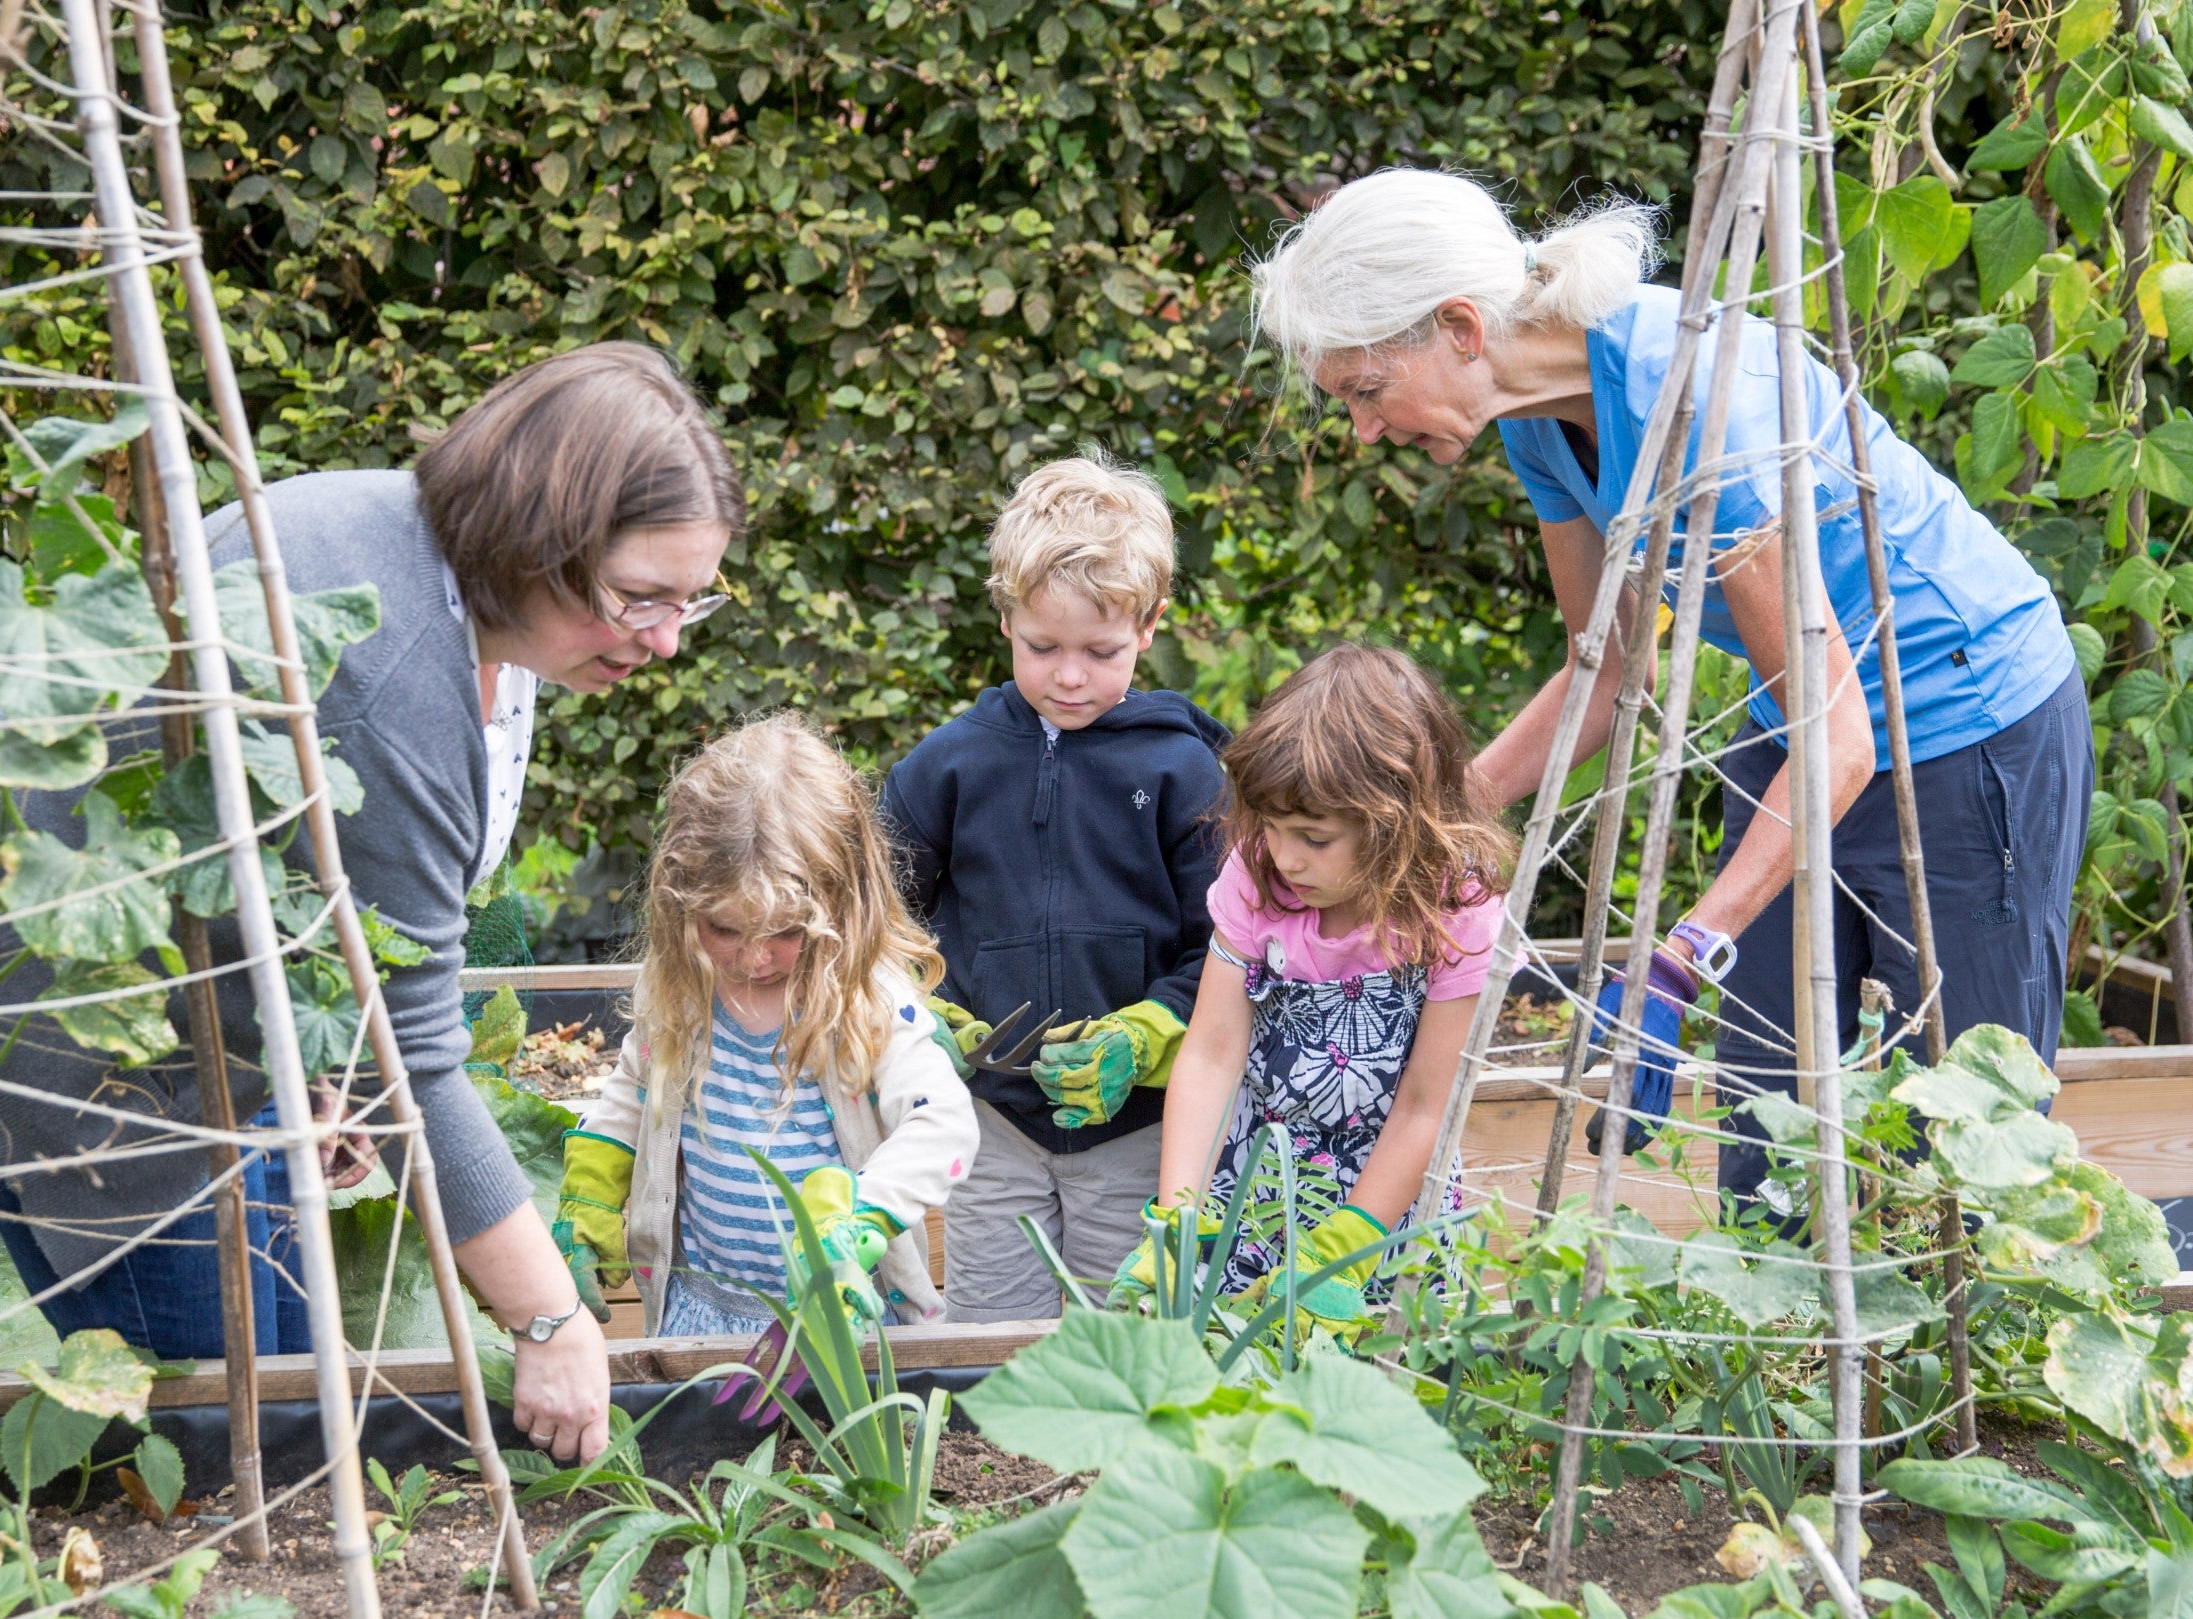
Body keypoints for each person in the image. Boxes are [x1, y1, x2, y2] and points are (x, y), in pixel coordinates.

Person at [0, 343, 740, 1464]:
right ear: (532, 536)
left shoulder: (447, 577)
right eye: (640, 597)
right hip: (49, 976)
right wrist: (551, 1321)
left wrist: (318, 1065)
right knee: (232, 1417)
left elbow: (311, 892)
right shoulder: (391, 672)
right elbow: (405, 1045)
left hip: (187, 981)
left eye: (693, 599)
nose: (666, 640)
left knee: (292, 1377)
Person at [1251, 170, 2094, 1193]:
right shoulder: (1536, 414)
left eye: (1365, 392)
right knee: (1767, 1129)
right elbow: (1606, 664)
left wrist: (1680, 951)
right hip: (1797, 715)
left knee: (1966, 1131)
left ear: (1461, 327)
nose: (1364, 431)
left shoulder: (1696, 401)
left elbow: (1846, 738)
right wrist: (1426, 818)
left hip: (1967, 718)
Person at [877, 454, 1228, 1322]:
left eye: (1100, 651)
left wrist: (1144, 1037)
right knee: (993, 1343)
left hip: (1138, 1129)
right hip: (989, 1127)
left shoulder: (1184, 769)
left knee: (1121, 1339)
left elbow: (1228, 946)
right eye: (1043, 647)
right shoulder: (951, 763)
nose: (1070, 677)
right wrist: (930, 1017)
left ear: (1149, 626)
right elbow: (877, 917)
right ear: (1005, 618)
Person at [1120, 645, 1508, 1341]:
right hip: (1253, 1188)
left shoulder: (1457, 908)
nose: (1285, 854)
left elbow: (1428, 1104)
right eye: (1270, 826)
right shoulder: (1261, 873)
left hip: (1385, 1206)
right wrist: (1179, 1213)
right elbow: (1212, 1051)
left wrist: (1346, 1247)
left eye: (1314, 837)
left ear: (1395, 823)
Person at [553, 715, 981, 1336]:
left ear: (845, 902)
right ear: (679, 902)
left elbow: (944, 1124)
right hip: (705, 1311)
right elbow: (633, 1088)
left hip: (844, 1313)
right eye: (724, 928)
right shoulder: (682, 985)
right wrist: (591, 1189)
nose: (753, 959)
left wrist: (861, 1217)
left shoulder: (868, 999)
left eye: (786, 933)